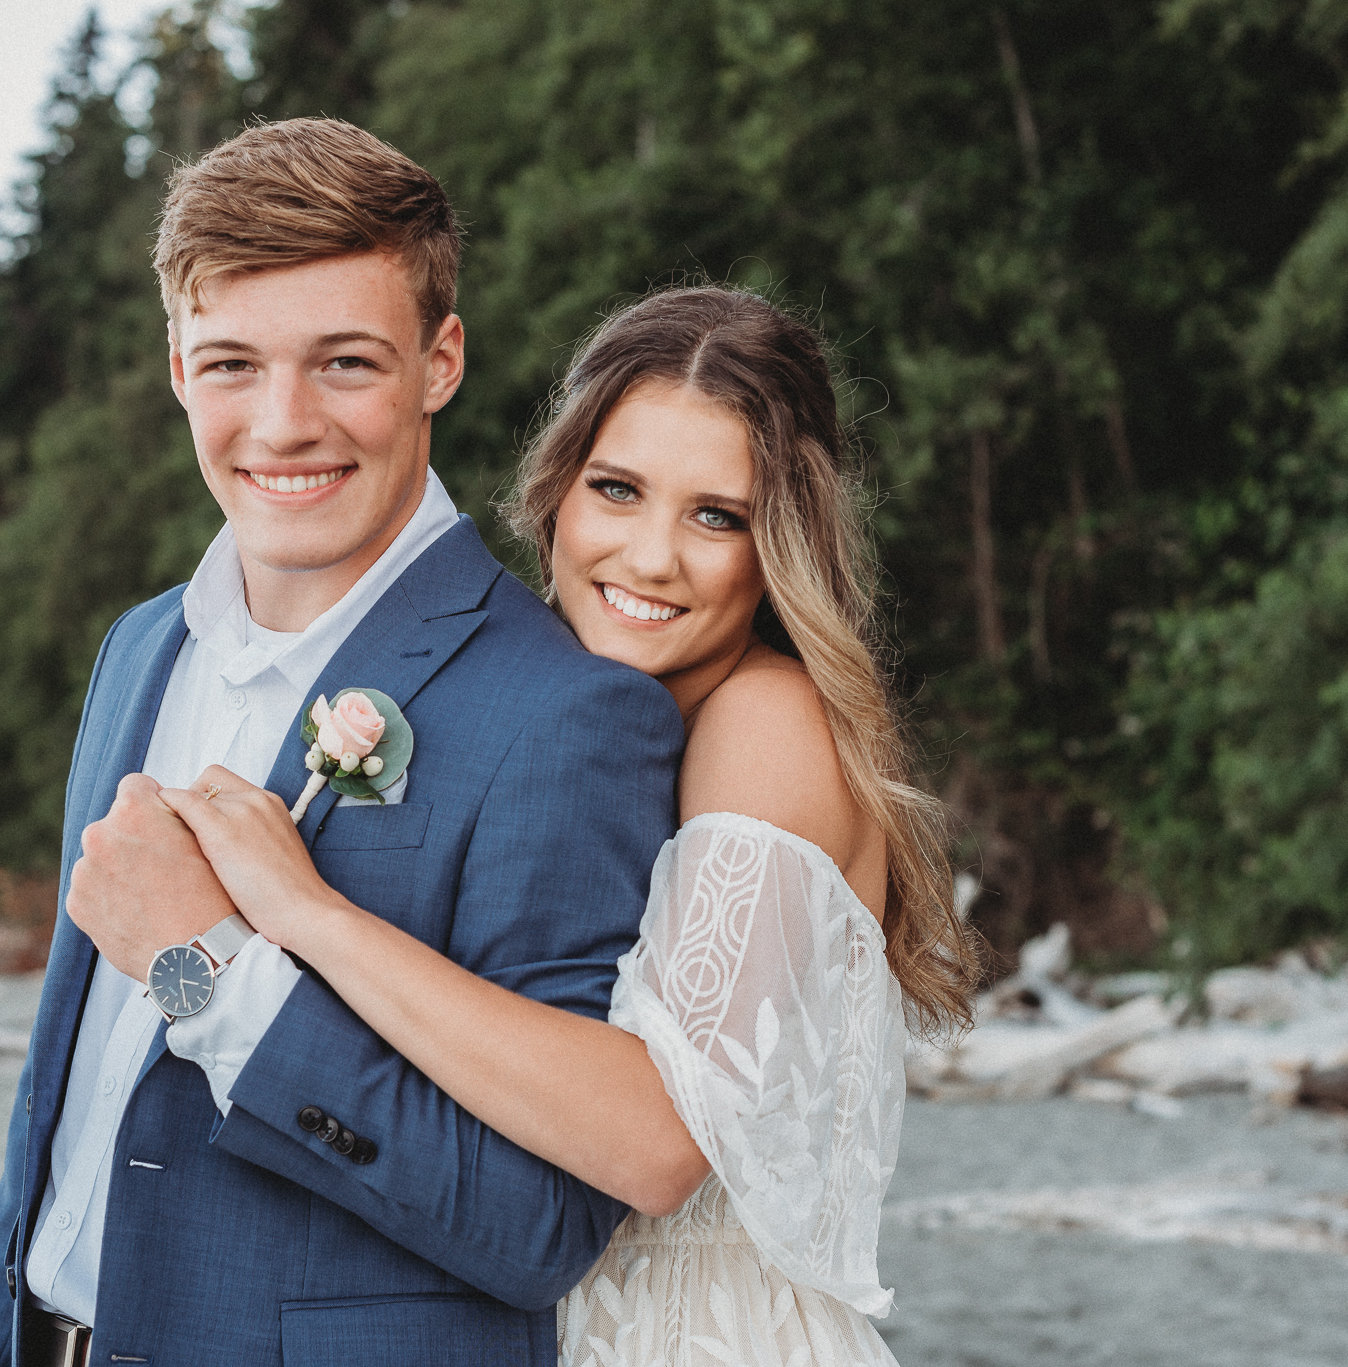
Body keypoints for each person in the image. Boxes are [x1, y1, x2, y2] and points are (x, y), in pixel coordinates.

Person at [0, 118, 685, 1367]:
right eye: (231, 363)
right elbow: (61, 1122)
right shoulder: (138, 648)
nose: (283, 424)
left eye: (344, 363)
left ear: (438, 361)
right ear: (177, 364)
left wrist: (206, 966)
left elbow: (539, 1225)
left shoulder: (564, 715)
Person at [163, 285, 982, 1366]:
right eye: (618, 489)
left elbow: (654, 1143)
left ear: (776, 542)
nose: (649, 557)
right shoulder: (573, 732)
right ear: (556, 493)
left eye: (714, 515)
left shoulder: (765, 721)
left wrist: (302, 911)